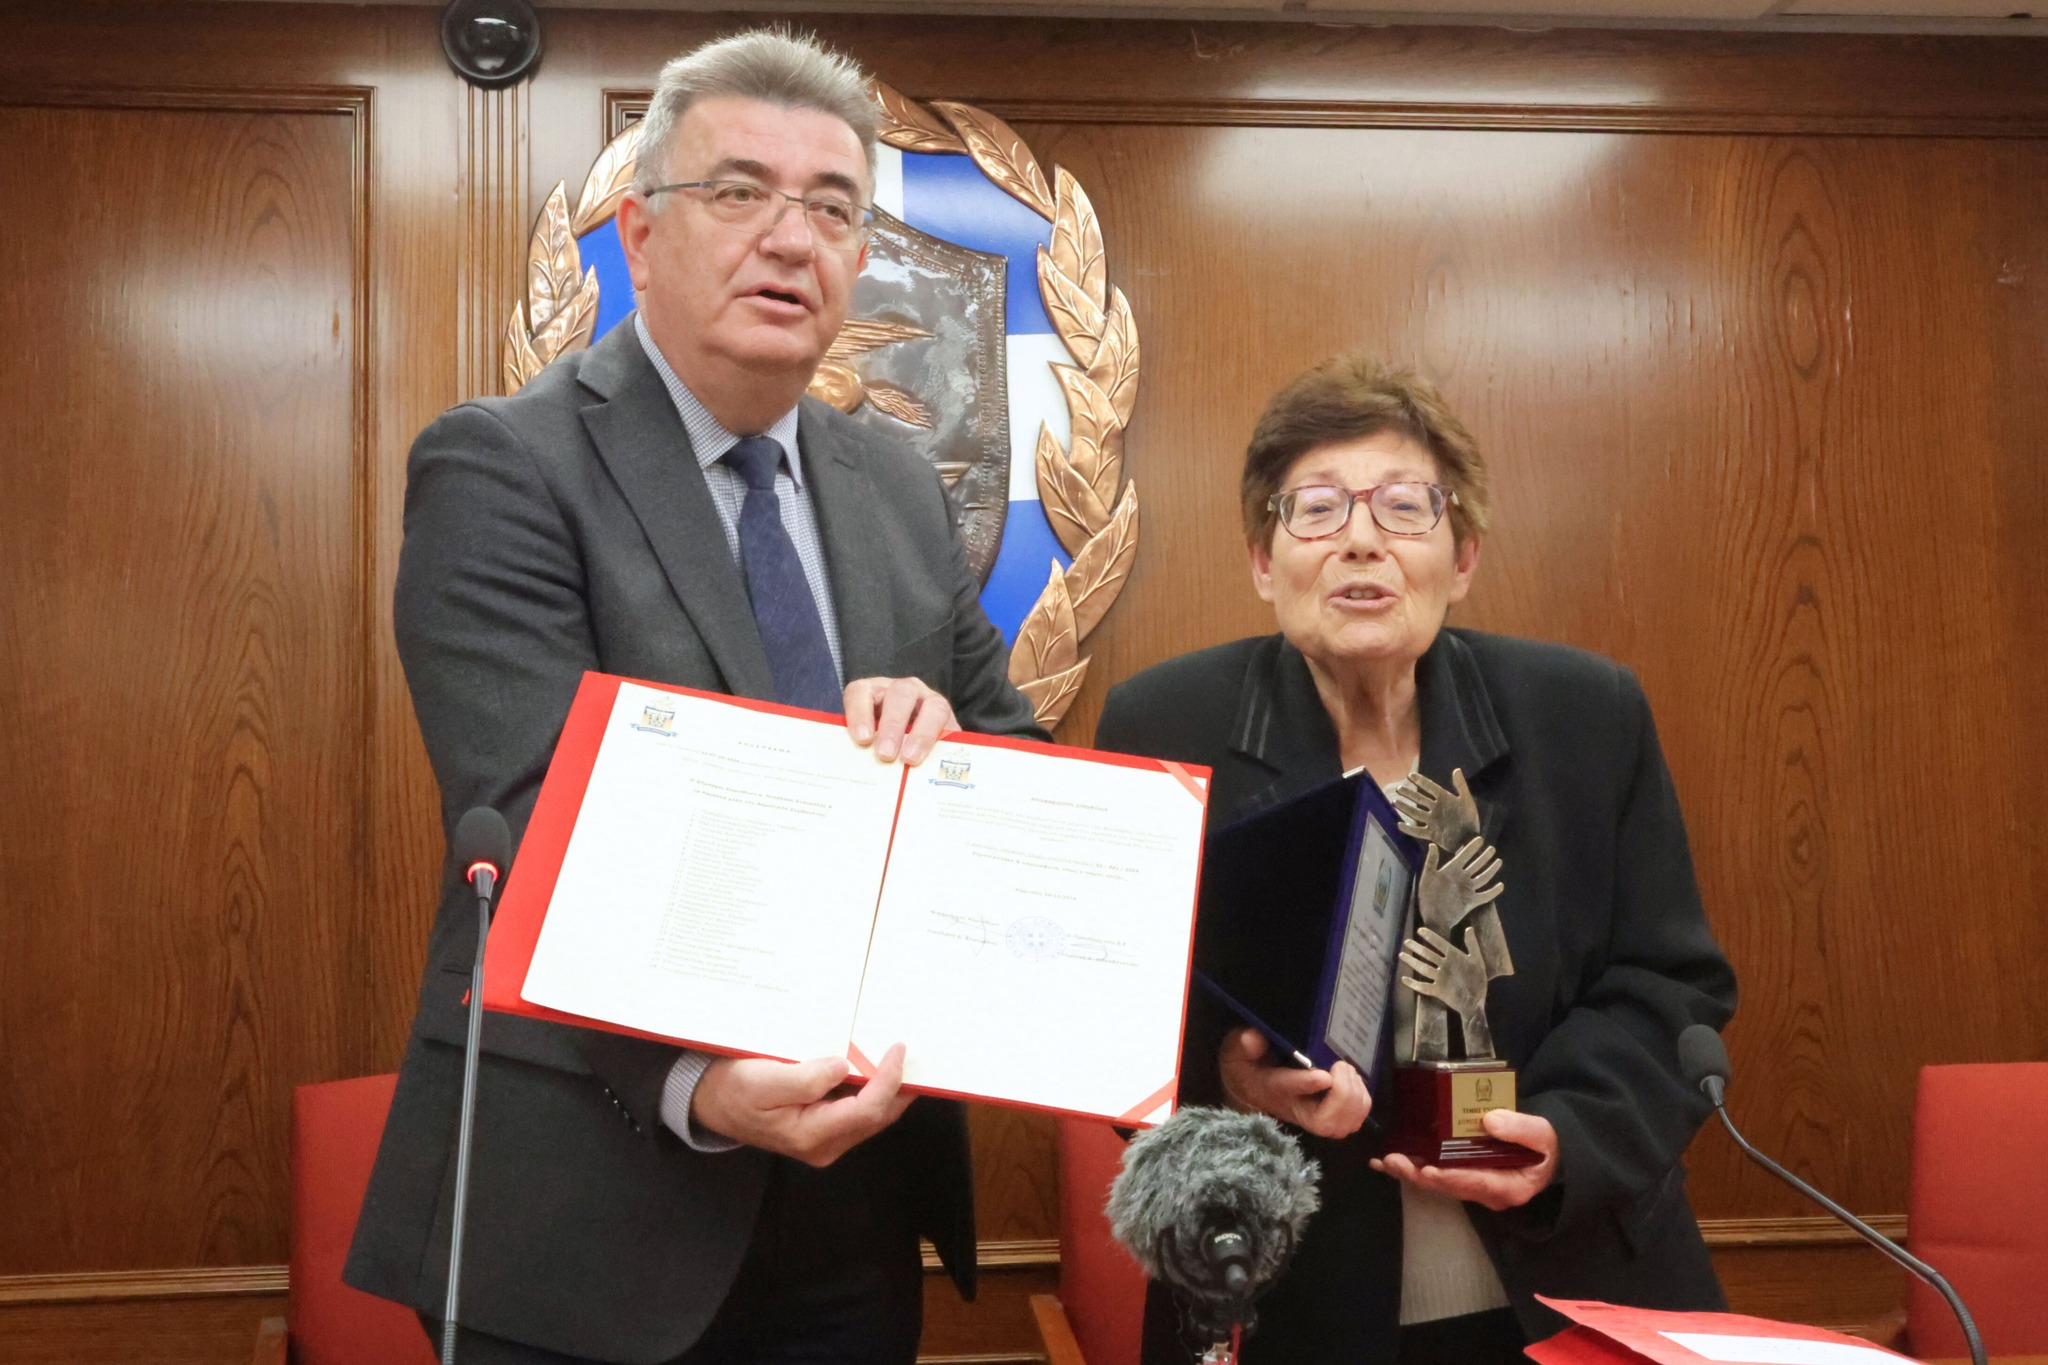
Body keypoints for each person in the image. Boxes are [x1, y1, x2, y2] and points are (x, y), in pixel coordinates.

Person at [344, 30, 1043, 1365]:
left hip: (850, 1200)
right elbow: (529, 814)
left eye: (831, 208)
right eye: (738, 192)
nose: (789, 238)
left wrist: (950, 753)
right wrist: (699, 1084)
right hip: (591, 1198)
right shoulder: (504, 466)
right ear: (641, 233)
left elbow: (1011, 747)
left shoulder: (896, 486)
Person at [1093, 355, 1738, 1365]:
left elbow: (1667, 986)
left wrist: (1564, 1134)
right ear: (1263, 561)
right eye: (1316, 509)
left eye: (1403, 507)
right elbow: (1113, 1017)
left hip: (1570, 1283)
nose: (1361, 539)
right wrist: (1229, 1076)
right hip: (1293, 1302)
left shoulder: (1583, 715)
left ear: (1461, 557)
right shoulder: (1166, 727)